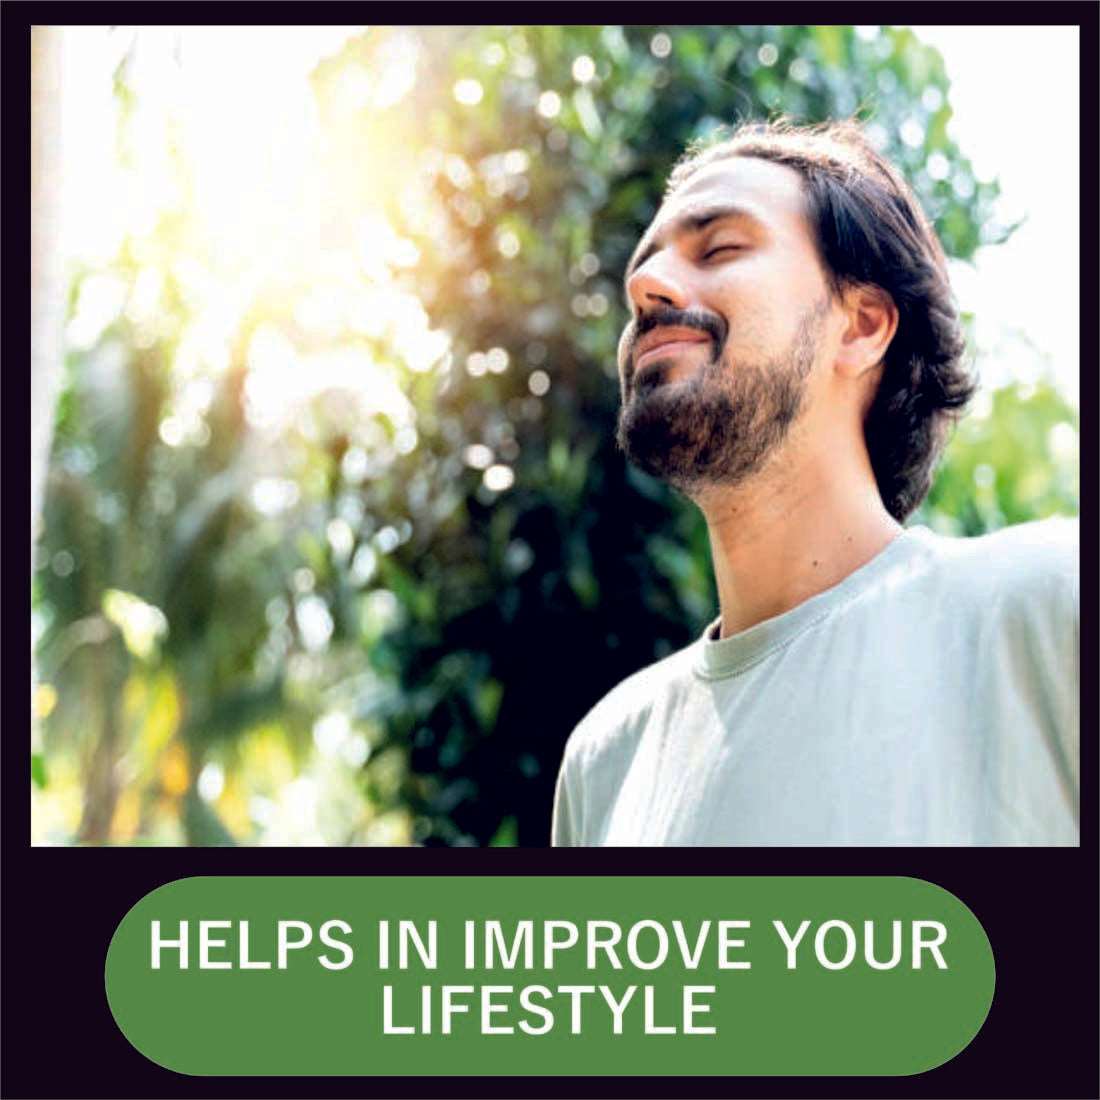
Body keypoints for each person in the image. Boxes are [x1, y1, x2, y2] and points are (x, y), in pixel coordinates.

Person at [551, 119, 1078, 847]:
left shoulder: (1051, 604)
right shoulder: (604, 759)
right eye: (645, 269)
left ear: (862, 326)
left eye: (721, 247)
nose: (645, 285)